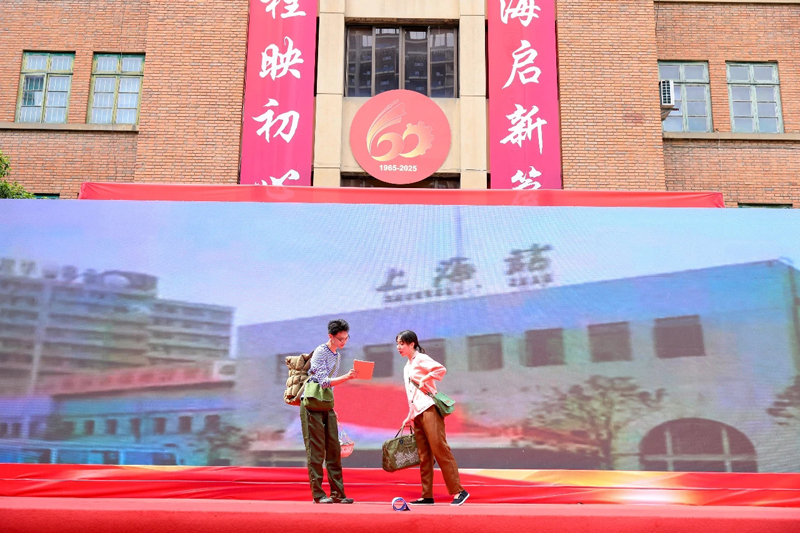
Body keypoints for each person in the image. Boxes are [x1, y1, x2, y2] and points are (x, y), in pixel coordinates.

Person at [397, 330, 469, 506]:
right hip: (417, 413)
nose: (399, 347)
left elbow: (440, 369)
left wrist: (426, 378)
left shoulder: (421, 358)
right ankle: (427, 495)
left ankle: (459, 491)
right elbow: (412, 395)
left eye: (402, 343)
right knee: (424, 456)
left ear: (412, 344)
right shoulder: (406, 367)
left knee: (439, 448)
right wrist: (409, 416)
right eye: (397, 344)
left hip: (429, 409)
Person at [302, 319, 358, 504]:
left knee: (334, 449)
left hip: (326, 404)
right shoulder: (320, 351)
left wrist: (332, 407)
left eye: (346, 338)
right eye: (340, 339)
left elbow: (330, 387)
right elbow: (323, 382)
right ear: (331, 337)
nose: (344, 342)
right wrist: (347, 377)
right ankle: (318, 495)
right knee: (316, 450)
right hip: (312, 404)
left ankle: (338, 494)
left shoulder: (337, 356)